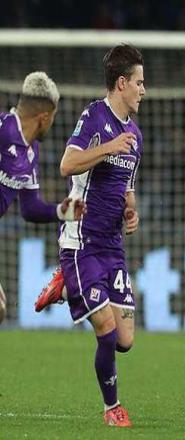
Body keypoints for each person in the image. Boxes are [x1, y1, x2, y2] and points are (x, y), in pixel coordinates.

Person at [50, 44, 144, 427]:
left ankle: (65, 286)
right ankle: (112, 408)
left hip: (112, 246)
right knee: (105, 329)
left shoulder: (134, 134)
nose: (143, 90)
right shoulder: (94, 117)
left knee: (125, 340)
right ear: (121, 83)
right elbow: (66, 164)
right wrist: (106, 148)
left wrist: (131, 210)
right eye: (139, 82)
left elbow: (127, 188)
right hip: (82, 242)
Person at [0, 71, 85, 324]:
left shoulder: (31, 150)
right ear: (44, 117)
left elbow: (30, 208)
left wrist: (62, 212)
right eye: (54, 116)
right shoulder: (2, 130)